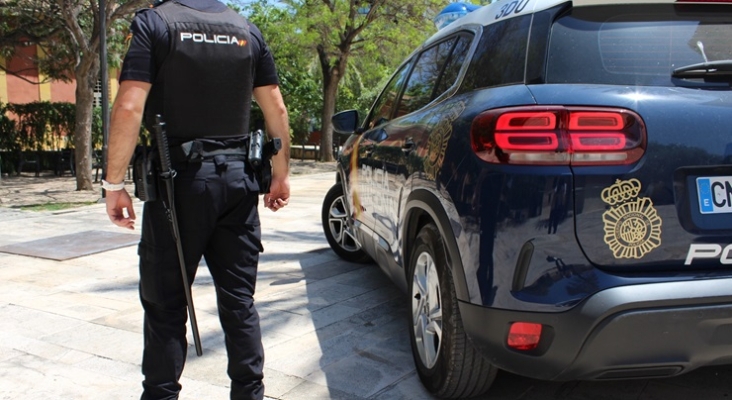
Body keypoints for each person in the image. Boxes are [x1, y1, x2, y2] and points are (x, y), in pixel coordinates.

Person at [103, 0, 290, 399]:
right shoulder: (245, 29)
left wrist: (113, 183)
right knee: (240, 302)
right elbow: (274, 105)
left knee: (166, 306)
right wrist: (281, 175)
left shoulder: (155, 23)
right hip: (239, 183)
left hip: (180, 186)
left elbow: (130, 105)